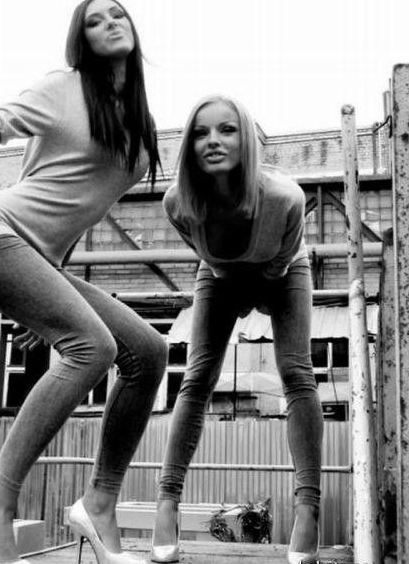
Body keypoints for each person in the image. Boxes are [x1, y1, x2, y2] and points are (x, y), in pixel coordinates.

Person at [0, 0, 168, 564]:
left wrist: (46, 282)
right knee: (92, 347)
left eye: (117, 14)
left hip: (34, 256)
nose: (109, 23)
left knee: (148, 351)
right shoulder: (64, 87)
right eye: (94, 20)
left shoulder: (138, 122)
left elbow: (80, 209)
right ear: (81, 40)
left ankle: (99, 505)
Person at [150, 95, 323, 564]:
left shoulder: (285, 198)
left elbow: (277, 267)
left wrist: (254, 291)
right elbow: (209, 258)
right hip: (220, 274)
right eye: (201, 132)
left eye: (226, 129)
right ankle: (167, 503)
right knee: (196, 378)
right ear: (189, 146)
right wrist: (232, 285)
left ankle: (307, 508)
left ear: (245, 138)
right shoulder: (177, 203)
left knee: (296, 373)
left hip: (282, 271)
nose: (213, 140)